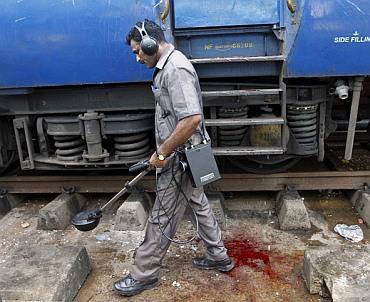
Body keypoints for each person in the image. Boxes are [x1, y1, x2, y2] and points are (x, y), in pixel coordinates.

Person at [113, 19, 234, 297]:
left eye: (137, 51)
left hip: (180, 158)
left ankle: (143, 274)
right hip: (187, 153)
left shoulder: (175, 69)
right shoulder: (167, 66)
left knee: (162, 215)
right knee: (198, 202)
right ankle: (219, 256)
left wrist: (163, 152)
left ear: (150, 44)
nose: (137, 57)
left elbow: (191, 118)